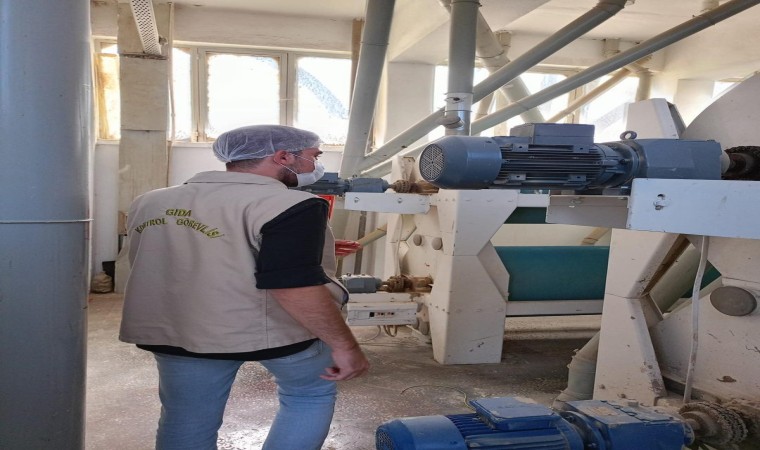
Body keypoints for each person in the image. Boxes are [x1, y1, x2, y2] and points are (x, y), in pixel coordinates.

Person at [119, 124, 370, 450]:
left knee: (186, 417)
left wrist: (301, 249)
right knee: (308, 394)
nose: (316, 166)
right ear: (283, 156)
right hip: (273, 334)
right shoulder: (292, 204)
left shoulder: (149, 202)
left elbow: (191, 248)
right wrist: (345, 345)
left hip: (178, 331)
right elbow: (295, 287)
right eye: (314, 156)